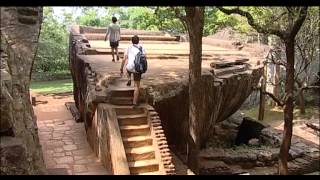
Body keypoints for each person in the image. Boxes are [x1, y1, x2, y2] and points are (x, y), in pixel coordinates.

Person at [120, 35, 147, 108]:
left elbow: (124, 59)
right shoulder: (142, 48)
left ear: (132, 41)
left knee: (127, 67)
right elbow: (144, 58)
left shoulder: (128, 48)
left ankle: (129, 79)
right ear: (138, 41)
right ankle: (134, 103)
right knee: (136, 86)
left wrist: (121, 68)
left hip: (130, 67)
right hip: (138, 68)